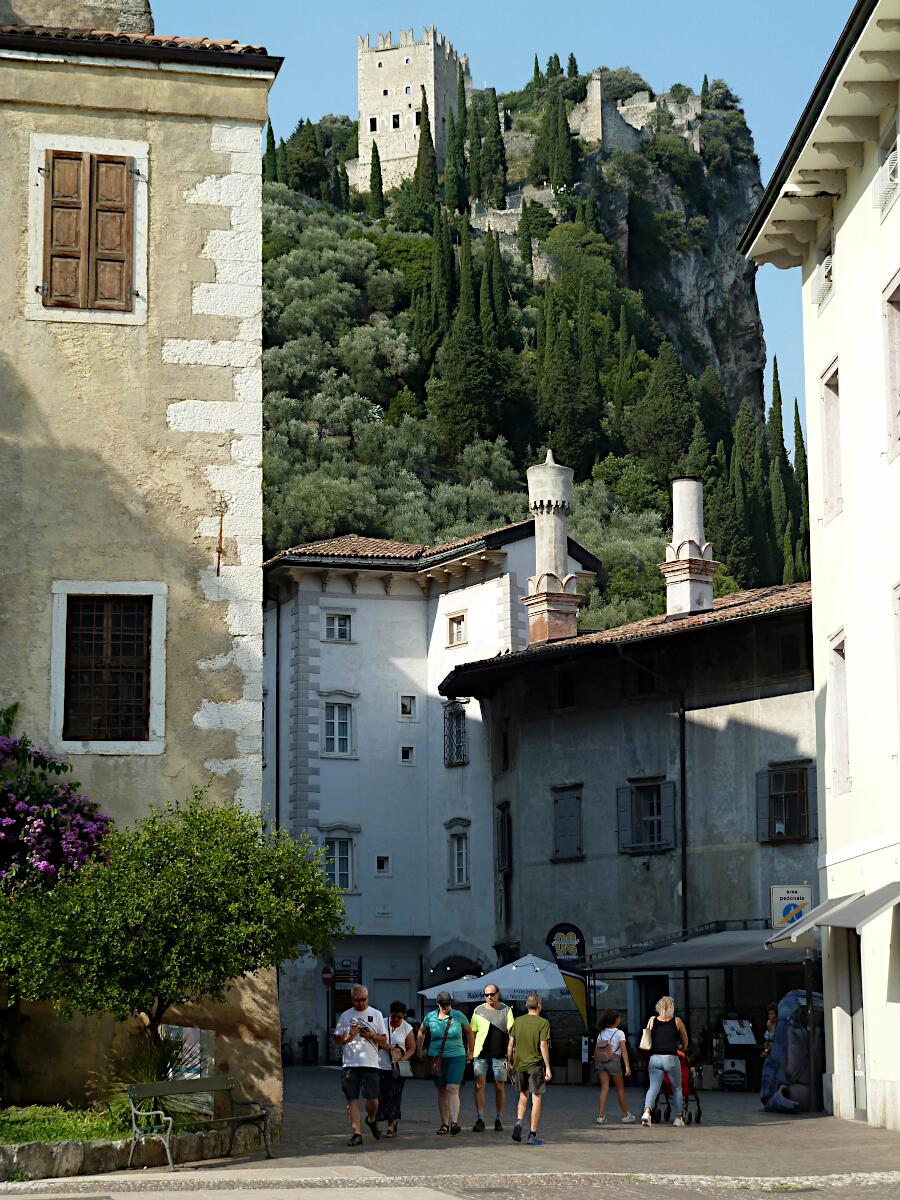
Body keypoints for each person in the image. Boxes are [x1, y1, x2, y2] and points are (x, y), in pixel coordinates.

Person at [332, 984, 388, 1146]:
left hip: (370, 1063)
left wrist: (372, 1036)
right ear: (352, 999)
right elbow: (336, 1039)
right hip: (350, 1063)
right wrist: (349, 1036)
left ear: (367, 998)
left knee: (373, 1099)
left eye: (363, 1000)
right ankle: (357, 1132)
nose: (360, 1003)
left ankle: (371, 1119)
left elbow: (383, 1039)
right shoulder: (345, 1016)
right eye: (357, 1000)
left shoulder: (376, 1014)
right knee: (352, 1099)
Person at [416, 991, 474, 1136]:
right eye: (443, 1005)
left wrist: (470, 1051)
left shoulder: (458, 1016)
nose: (445, 1007)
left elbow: (469, 1033)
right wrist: (419, 1049)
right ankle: (444, 1124)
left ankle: (454, 1122)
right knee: (441, 1089)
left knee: (453, 1088)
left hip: (457, 1056)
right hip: (436, 1058)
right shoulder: (430, 1017)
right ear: (438, 1003)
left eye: (448, 1004)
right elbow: (421, 1032)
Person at [507, 993, 552, 1146]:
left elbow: (510, 1044)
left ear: (526, 1006)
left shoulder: (518, 1021)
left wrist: (510, 1062)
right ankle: (532, 1134)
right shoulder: (543, 1022)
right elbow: (543, 1045)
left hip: (519, 1064)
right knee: (536, 1097)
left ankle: (519, 1120)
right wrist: (548, 1067)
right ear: (539, 1005)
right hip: (535, 1065)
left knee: (522, 1095)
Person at [470, 983, 515, 1131]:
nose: (489, 997)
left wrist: (511, 1056)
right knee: (479, 1086)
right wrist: (470, 1051)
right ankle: (480, 1119)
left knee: (500, 1086)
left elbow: (511, 1034)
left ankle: (498, 1119)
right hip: (480, 1054)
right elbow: (473, 1033)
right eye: (486, 994)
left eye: (492, 994)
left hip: (500, 1054)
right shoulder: (478, 1010)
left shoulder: (506, 1010)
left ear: (498, 994)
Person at [640, 995, 688, 1128]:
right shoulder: (677, 1021)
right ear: (672, 1008)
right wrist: (683, 1048)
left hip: (654, 1058)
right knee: (677, 1088)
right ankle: (678, 1118)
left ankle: (647, 1112)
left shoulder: (652, 1020)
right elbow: (685, 1038)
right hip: (671, 1058)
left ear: (658, 1007)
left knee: (653, 1087)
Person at [376, 1001, 416, 1137]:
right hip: (381, 1065)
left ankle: (391, 1126)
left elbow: (412, 1048)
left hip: (398, 1068)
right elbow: (373, 1041)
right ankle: (380, 1121)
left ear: (403, 1016)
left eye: (400, 1017)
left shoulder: (407, 1028)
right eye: (394, 1016)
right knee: (382, 1096)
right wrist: (384, 1046)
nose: (396, 1020)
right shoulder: (381, 1022)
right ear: (390, 1013)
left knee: (394, 1095)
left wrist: (403, 1060)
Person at [594, 1008, 635, 1124]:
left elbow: (596, 1050)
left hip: (602, 1063)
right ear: (616, 1020)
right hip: (614, 1061)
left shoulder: (601, 1033)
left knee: (604, 1088)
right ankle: (625, 1115)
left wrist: (596, 1065)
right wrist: (627, 1066)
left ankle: (601, 1116)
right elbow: (624, 1051)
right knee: (620, 1089)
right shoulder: (619, 1033)